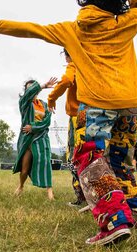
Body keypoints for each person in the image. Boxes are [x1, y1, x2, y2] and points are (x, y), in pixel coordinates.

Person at [0, 0, 137, 245]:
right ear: (114, 2)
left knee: (89, 157)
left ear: (86, 1)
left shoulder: (74, 29)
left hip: (97, 104)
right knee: (120, 160)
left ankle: (114, 221)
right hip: (130, 103)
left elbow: (34, 29)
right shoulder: (126, 22)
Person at [47, 49, 87, 209]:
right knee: (93, 156)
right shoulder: (90, 65)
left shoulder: (74, 65)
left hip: (79, 117)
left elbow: (66, 80)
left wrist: (51, 98)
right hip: (97, 114)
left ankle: (82, 198)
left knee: (75, 157)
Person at [14, 77, 57, 200]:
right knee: (24, 168)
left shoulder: (44, 105)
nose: (31, 91)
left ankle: (50, 192)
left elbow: (47, 121)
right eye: (28, 89)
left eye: (33, 89)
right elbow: (29, 93)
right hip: (27, 139)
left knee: (45, 162)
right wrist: (43, 85)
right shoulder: (24, 103)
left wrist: (33, 127)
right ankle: (21, 186)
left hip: (41, 137)